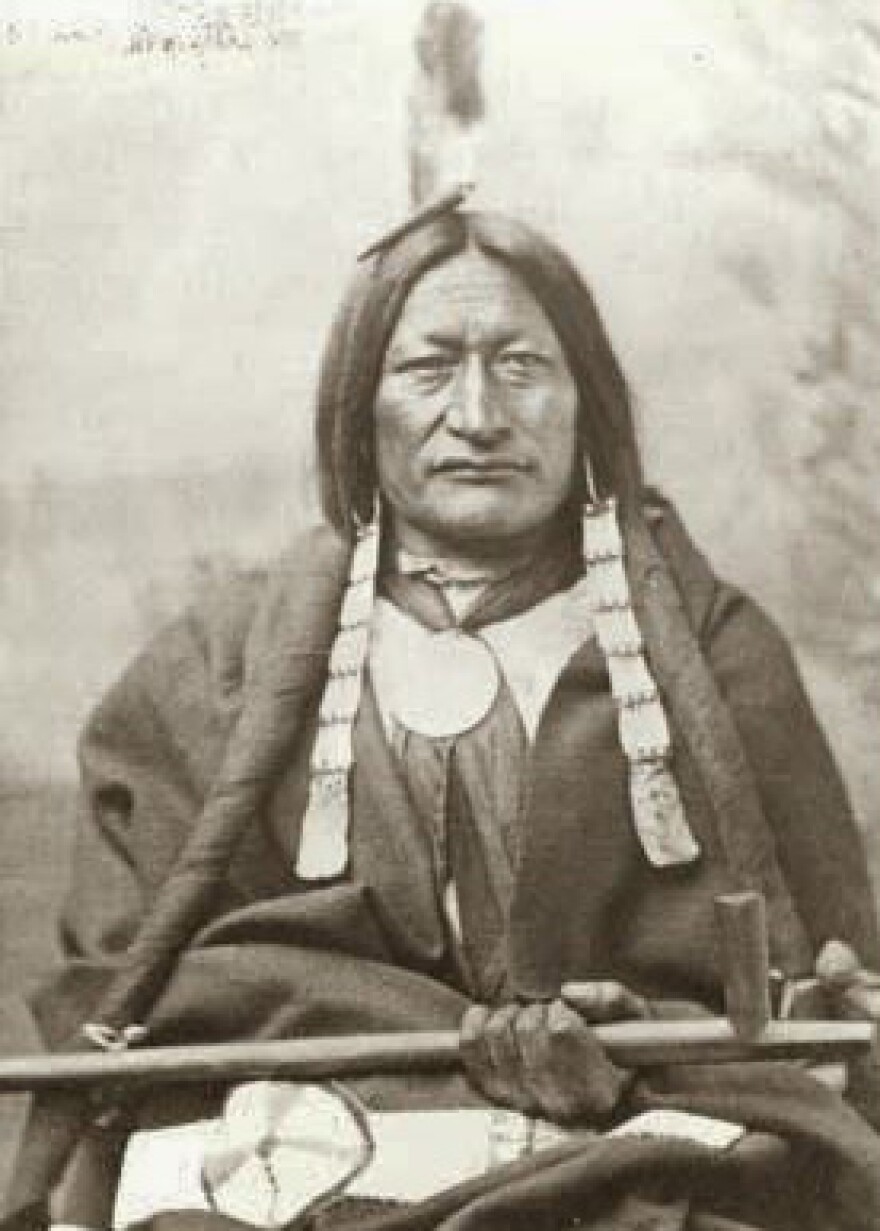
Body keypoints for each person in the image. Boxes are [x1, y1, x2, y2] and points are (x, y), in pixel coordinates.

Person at [7, 206, 880, 1231]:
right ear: (357, 406)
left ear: (586, 403)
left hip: (641, 1171)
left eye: (521, 366)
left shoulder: (715, 654)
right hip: (295, 1176)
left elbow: (820, 1031)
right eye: (428, 368)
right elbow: (130, 1000)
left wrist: (632, 1047)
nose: (478, 414)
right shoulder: (218, 669)